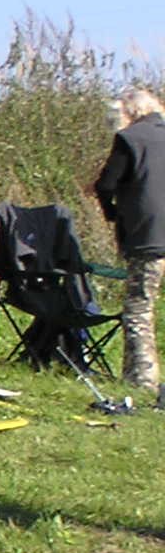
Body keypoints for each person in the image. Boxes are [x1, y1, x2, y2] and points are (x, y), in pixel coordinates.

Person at [92, 86, 165, 403]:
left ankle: (143, 380)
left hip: (149, 237)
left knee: (138, 309)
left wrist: (113, 213)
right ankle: (132, 375)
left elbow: (105, 185)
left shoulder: (130, 139)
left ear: (130, 112)